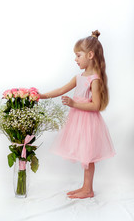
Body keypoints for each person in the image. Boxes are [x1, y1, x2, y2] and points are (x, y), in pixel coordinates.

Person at [39, 30, 116, 199]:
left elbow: (95, 105)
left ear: (90, 55)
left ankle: (88, 190)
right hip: (78, 121)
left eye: (78, 55)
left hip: (88, 122)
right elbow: (61, 89)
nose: (75, 59)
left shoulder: (94, 79)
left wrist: (74, 104)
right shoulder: (79, 76)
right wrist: (41, 96)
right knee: (84, 154)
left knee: (88, 156)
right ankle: (85, 187)